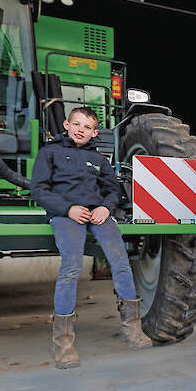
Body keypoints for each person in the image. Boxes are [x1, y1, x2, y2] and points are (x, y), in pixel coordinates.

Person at [31, 106, 152, 369]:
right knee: (71, 266)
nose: (80, 130)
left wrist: (105, 208)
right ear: (66, 125)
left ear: (95, 132)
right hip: (65, 214)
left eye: (87, 127)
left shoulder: (99, 160)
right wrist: (67, 209)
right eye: (76, 124)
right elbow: (39, 189)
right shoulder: (49, 153)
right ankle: (63, 341)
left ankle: (132, 326)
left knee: (120, 261)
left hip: (96, 214)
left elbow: (113, 190)